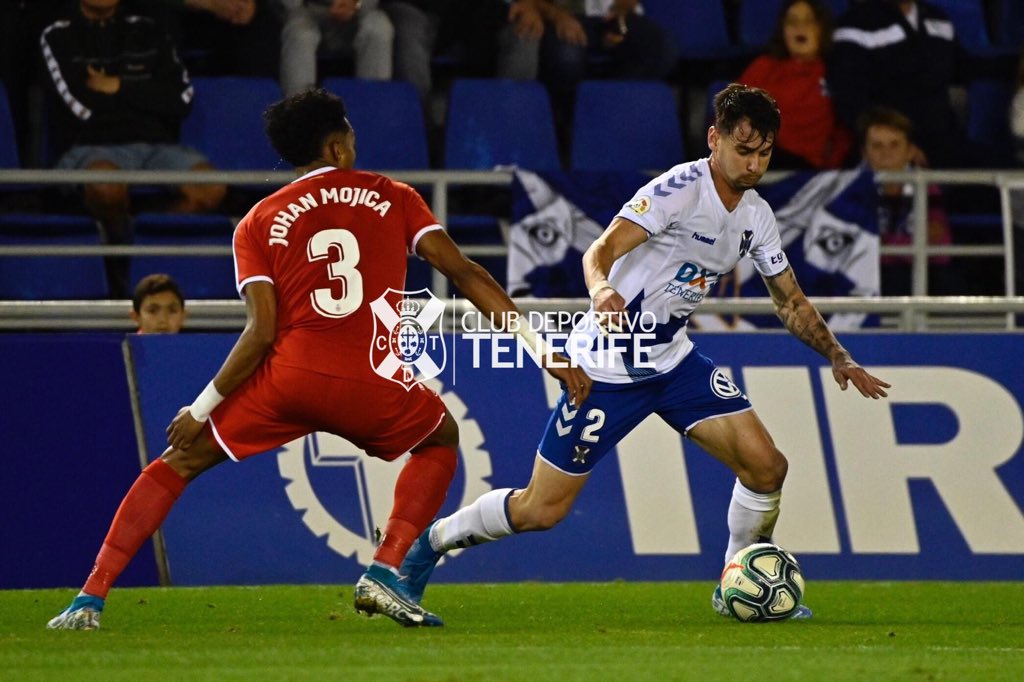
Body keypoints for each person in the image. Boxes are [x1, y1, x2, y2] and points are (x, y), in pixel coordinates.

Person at [46, 88, 591, 631]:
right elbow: (468, 274)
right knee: (439, 439)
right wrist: (544, 349)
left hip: (287, 378)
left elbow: (261, 332)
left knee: (177, 462)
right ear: (336, 148)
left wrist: (202, 406)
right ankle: (386, 566)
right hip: (370, 381)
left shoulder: (257, 220)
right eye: (350, 133)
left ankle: (88, 600)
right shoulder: (393, 196)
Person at [397, 84, 891, 622]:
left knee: (766, 467)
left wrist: (838, 356)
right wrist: (602, 290)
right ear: (714, 139)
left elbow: (789, 301)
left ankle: (733, 584)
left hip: (672, 362)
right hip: (604, 366)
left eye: (764, 153)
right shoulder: (679, 189)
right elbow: (600, 249)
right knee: (542, 509)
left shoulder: (757, 216)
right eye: (743, 150)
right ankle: (432, 543)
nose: (753, 164)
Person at [40, 0, 228, 295]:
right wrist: (146, 97)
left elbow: (180, 100)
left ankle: (140, 253)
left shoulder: (149, 30)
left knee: (211, 188)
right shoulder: (57, 35)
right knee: (106, 187)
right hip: (92, 145)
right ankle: (122, 263)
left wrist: (118, 87)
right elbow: (79, 108)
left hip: (157, 145)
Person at [826, 0, 974, 169]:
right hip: (890, 150)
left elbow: (963, 69)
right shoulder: (853, 25)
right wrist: (903, 148)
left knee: (990, 173)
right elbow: (850, 99)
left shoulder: (938, 18)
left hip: (943, 143)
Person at [858, 106, 962, 295]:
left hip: (917, 270)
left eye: (895, 145)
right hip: (868, 273)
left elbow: (936, 238)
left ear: (910, 152)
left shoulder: (927, 186)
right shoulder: (850, 189)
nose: (886, 153)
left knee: (944, 280)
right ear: (865, 152)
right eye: (877, 145)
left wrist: (887, 247)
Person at [535, 0, 676, 136]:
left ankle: (613, 116)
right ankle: (569, 126)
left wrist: (621, 15)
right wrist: (557, 16)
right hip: (562, 17)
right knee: (568, 55)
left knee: (660, 47)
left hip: (612, 15)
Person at [738, 0, 851, 170]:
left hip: (820, 171)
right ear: (782, 30)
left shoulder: (836, 70)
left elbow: (845, 130)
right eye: (792, 22)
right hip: (769, 164)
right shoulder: (764, 68)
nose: (800, 28)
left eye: (809, 21)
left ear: (822, 29)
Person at [381, 0, 543, 116]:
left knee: (525, 30)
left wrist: (528, 4)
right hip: (416, 7)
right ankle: (420, 133)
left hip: (479, 9)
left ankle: (509, 124)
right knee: (410, 45)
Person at [274, 0, 393, 96]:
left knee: (378, 29)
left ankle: (373, 106)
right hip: (307, 8)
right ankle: (297, 110)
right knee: (301, 34)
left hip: (359, 9)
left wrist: (357, 4)